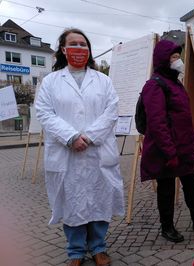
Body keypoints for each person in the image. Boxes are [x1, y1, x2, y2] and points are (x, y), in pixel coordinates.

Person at [35, 28, 124, 266]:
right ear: (63, 49)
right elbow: (44, 112)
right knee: (71, 202)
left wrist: (90, 136)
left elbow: (111, 111)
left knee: (99, 201)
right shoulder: (51, 82)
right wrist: (72, 136)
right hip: (67, 153)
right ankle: (75, 251)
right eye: (73, 44)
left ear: (89, 49)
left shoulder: (103, 80)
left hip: (97, 151)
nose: (79, 48)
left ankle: (98, 247)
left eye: (83, 44)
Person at [140, 40, 194, 243]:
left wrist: (192, 144)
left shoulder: (175, 83)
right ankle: (167, 227)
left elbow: (185, 118)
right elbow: (157, 124)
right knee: (166, 189)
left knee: (192, 186)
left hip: (183, 147)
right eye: (174, 57)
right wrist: (169, 152)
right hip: (166, 150)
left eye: (178, 56)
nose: (178, 61)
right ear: (163, 60)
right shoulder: (154, 85)